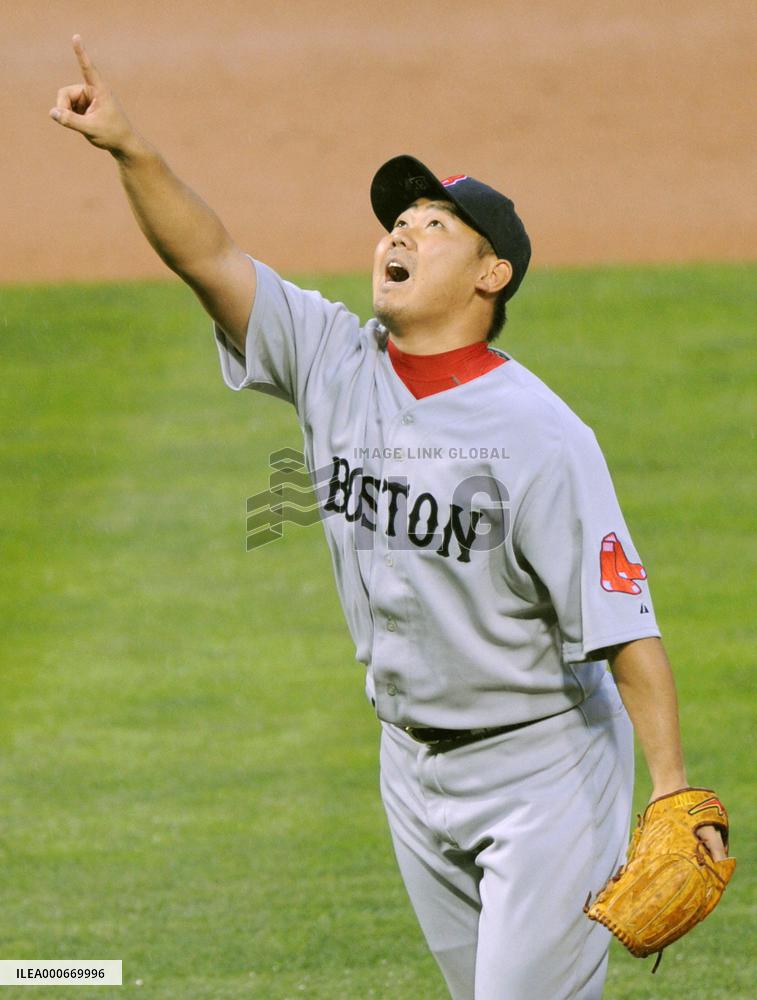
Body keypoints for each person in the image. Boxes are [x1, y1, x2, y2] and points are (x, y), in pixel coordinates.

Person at [51, 36, 728, 1000]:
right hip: (409, 767)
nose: (400, 236)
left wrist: (669, 787)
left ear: (491, 275)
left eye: (434, 226)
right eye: (398, 222)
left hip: (543, 771)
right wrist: (130, 148)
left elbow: (624, 622)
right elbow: (207, 257)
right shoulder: (334, 359)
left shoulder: (541, 436)